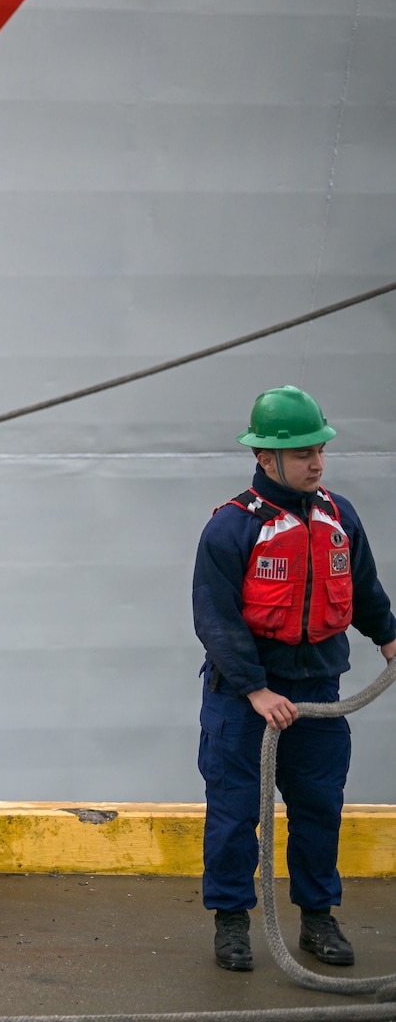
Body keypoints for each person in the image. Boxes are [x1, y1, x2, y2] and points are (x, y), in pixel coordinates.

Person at [193, 386, 396, 972]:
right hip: (242, 698)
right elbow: (215, 618)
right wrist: (256, 689)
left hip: (317, 697)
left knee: (319, 810)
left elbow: (363, 589)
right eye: (304, 452)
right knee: (234, 815)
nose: (317, 462)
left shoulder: (339, 516)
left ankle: (317, 919)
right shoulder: (231, 529)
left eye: (320, 450)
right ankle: (231, 922)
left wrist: (388, 638)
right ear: (265, 458)